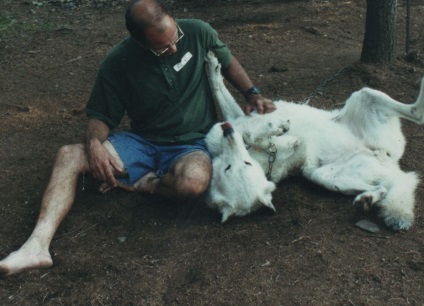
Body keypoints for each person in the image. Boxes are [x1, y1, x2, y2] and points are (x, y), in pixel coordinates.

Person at [0, 0, 276, 277]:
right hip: (143, 142)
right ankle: (37, 245)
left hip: (192, 143)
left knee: (193, 182)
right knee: (69, 155)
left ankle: (144, 183)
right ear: (139, 42)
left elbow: (227, 62)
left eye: (174, 38)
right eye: (162, 48)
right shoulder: (119, 61)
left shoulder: (197, 32)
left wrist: (252, 92)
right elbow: (100, 116)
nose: (174, 48)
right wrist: (94, 144)